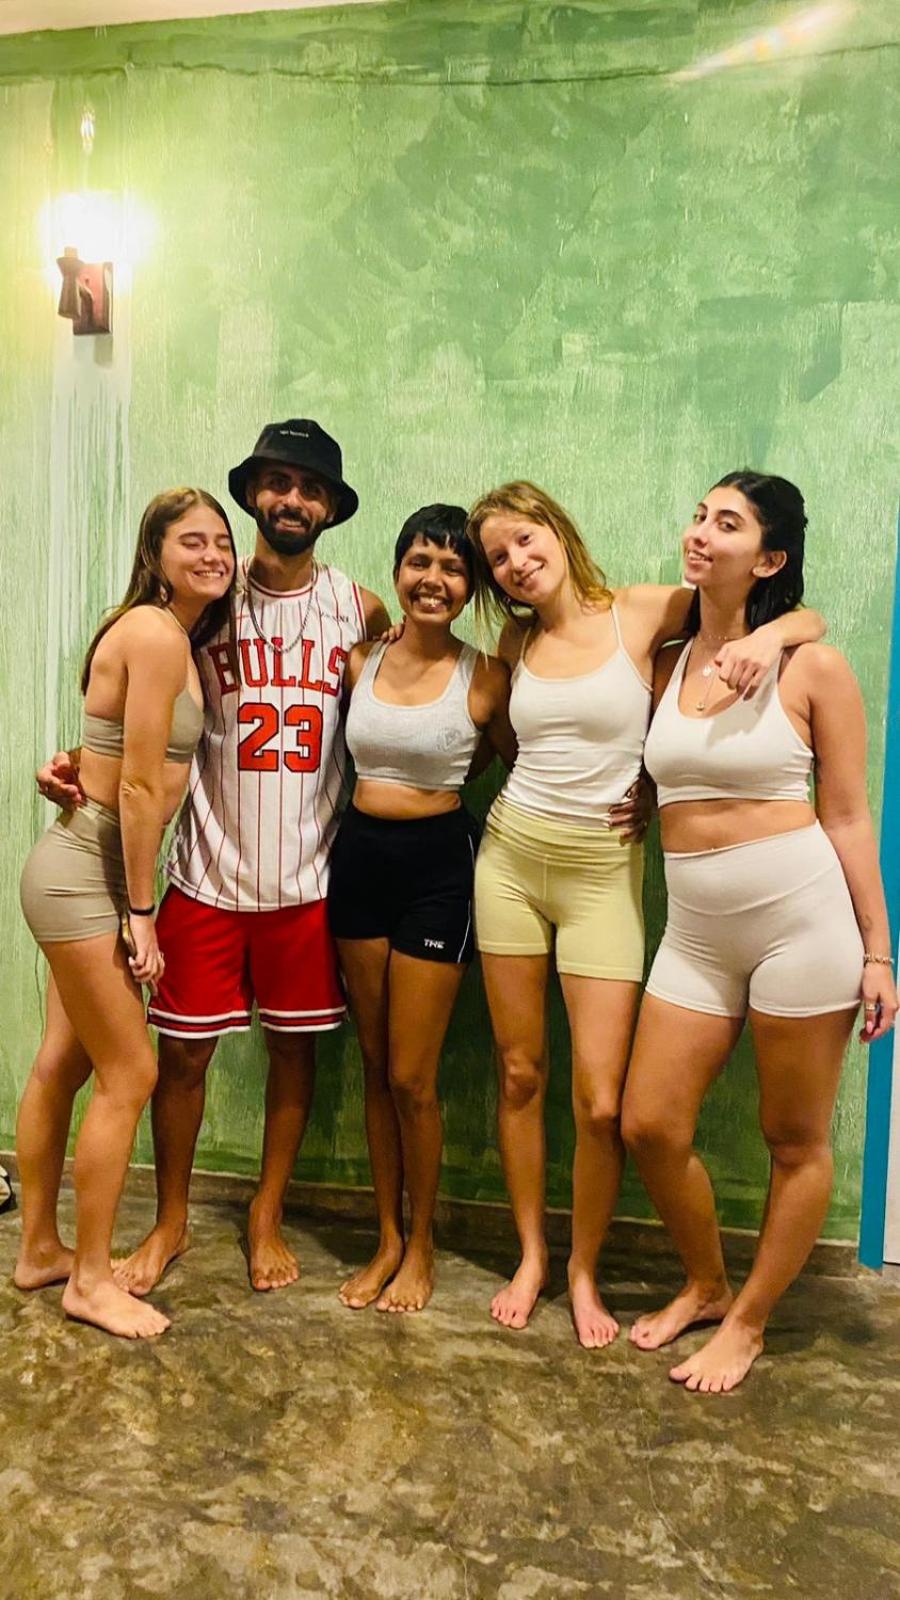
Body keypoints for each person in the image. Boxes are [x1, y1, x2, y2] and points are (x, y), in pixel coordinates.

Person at [466, 480, 827, 1346]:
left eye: (525, 539)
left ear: (557, 529)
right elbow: (517, 744)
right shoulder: (515, 641)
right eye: (498, 557)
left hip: (602, 877)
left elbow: (789, 614)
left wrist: (773, 635)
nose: (517, 562)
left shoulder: (640, 611)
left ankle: (585, 1271)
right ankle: (534, 1257)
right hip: (509, 862)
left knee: (602, 1103)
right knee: (519, 1074)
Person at [38, 421, 390, 1295]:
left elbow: (411, 707)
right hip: (204, 871)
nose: (293, 500)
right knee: (181, 1060)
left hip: (307, 875)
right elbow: (138, 728)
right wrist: (75, 763)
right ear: (253, 495)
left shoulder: (362, 610)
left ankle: (266, 1214)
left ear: (331, 508)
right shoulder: (202, 607)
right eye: (278, 483)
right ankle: (171, 1220)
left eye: (311, 488)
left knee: (294, 1054)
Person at [621, 470, 896, 1392]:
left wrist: (879, 951)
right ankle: (706, 1284)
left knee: (793, 1138)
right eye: (698, 515)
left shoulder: (812, 666)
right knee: (649, 1123)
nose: (700, 532)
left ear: (769, 558)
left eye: (727, 524)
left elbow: (848, 814)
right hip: (695, 930)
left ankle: (748, 1322)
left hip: (801, 924)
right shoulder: (668, 661)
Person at [16, 488, 237, 1337]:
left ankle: (40, 1249)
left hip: (86, 861)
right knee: (132, 1073)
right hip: (89, 872)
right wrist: (141, 912)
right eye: (193, 541)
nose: (213, 555)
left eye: (222, 542)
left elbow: (110, 750)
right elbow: (141, 787)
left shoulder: (166, 633)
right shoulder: (155, 633)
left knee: (61, 1065)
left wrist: (66, 762)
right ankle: (90, 1281)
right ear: (156, 555)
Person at [328, 505, 516, 1313]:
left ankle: (424, 1243)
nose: (433, 579)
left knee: (413, 1076)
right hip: (359, 861)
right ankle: (386, 1237)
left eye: (452, 568)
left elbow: (523, 766)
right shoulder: (358, 661)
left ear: (470, 587)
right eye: (420, 562)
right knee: (376, 1066)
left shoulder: (486, 677)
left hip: (439, 868)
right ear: (399, 569)